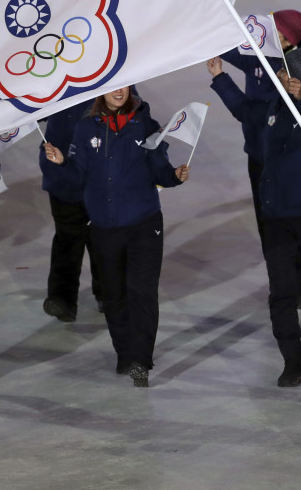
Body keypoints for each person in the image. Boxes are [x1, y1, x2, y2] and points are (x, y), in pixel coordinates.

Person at [207, 47, 301, 386]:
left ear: (295, 79)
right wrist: (219, 76)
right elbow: (244, 110)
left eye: (283, 74)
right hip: (276, 214)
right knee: (281, 291)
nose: (276, 76)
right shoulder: (273, 103)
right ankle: (292, 361)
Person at [42, 87, 190, 387]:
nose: (118, 92)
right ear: (101, 93)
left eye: (124, 86)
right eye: (112, 88)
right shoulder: (85, 128)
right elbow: (77, 178)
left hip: (144, 225)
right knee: (114, 295)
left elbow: (159, 171)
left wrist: (174, 176)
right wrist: (61, 163)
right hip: (104, 228)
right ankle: (125, 353)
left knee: (143, 292)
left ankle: (140, 360)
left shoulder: (146, 126)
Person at [218, 9, 301, 247]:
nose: (267, 35)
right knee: (267, 227)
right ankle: (277, 273)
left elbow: (254, 113)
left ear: (289, 41)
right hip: (258, 154)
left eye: (276, 33)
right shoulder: (261, 53)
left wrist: (220, 78)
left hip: (286, 159)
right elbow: (226, 47)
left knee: (291, 227)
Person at [37, 100, 103, 323]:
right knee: (67, 236)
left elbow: (131, 100)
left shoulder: (110, 71)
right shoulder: (50, 72)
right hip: (61, 171)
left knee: (103, 238)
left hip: (102, 176)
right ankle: (62, 299)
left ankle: (109, 293)